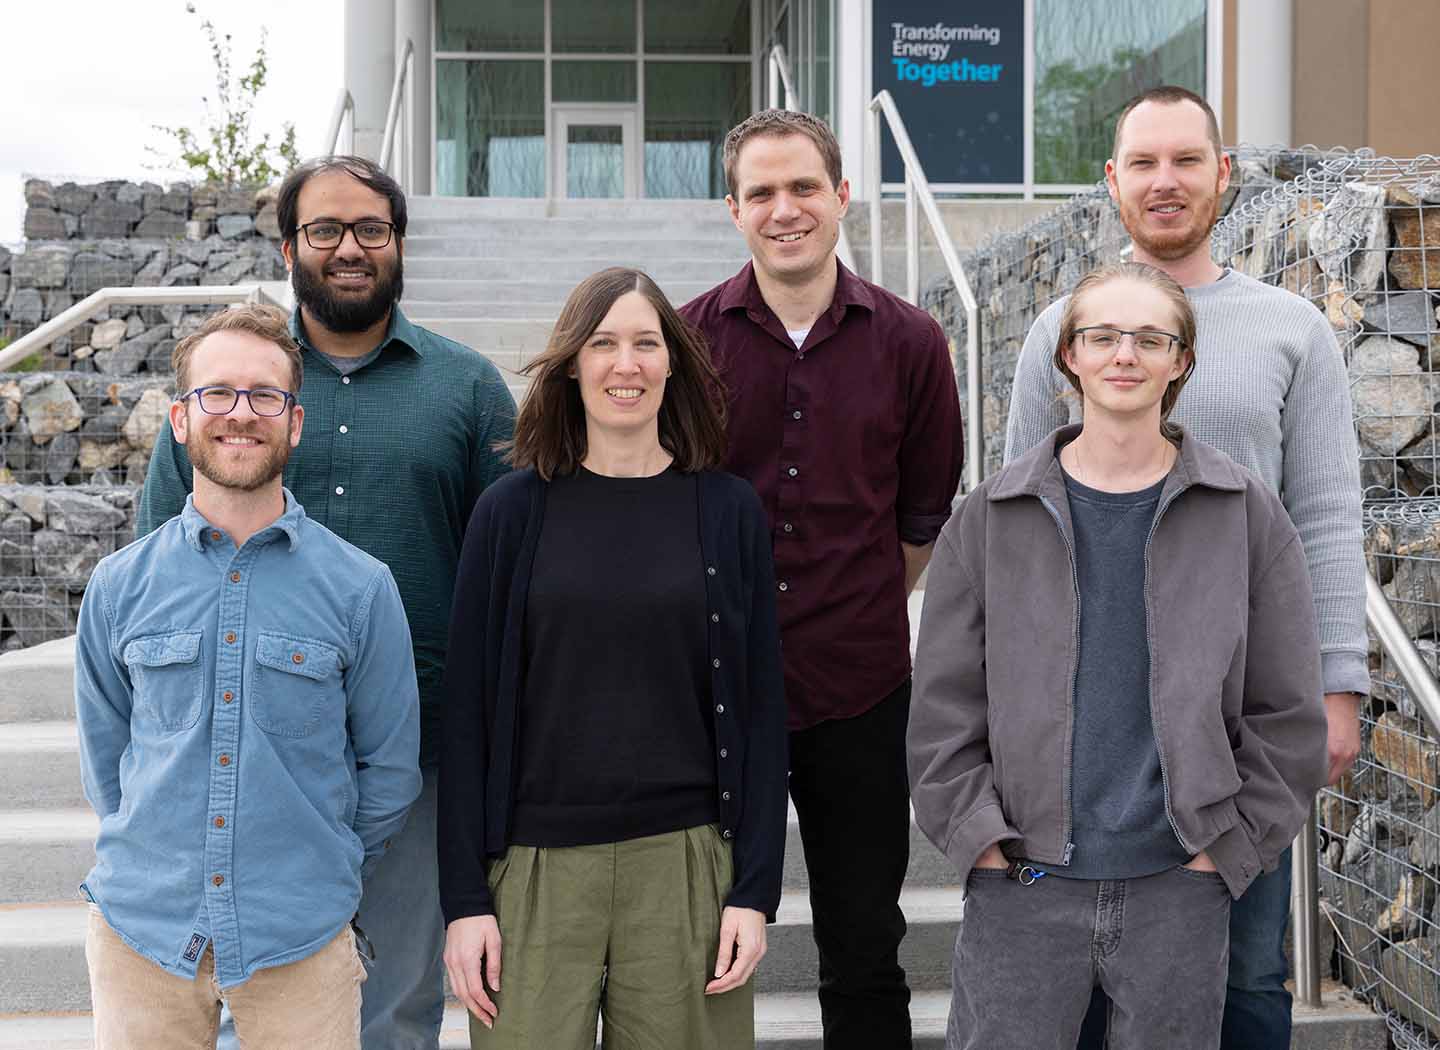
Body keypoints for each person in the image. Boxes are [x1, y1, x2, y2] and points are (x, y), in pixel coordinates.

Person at [1004, 86, 1367, 1050]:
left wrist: (1337, 686)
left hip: (1243, 713)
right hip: (1088, 717)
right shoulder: (1061, 331)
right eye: (1144, 163)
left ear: (1223, 176)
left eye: (1186, 160)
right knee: (1083, 982)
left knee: (1246, 971)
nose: (1165, 181)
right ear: (1112, 181)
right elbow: (1016, 535)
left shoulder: (1292, 329)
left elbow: (1328, 515)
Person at [135, 155, 516, 1049]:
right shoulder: (236, 392)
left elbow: (513, 573)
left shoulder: (466, 388)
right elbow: (159, 573)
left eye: (371, 229)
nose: (350, 248)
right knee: (249, 1003)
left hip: (419, 755)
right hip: (248, 756)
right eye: (325, 230)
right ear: (289, 248)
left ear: (400, 243)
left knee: (397, 1004)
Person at [912, 261, 1329, 1050]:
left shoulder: (1245, 514)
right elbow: (942, 708)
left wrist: (1221, 855)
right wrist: (982, 843)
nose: (1125, 355)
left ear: (1182, 360)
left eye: (1149, 338)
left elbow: (1287, 713)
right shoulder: (990, 517)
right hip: (1024, 883)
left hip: (1179, 884)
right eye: (1102, 336)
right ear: (1069, 355)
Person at [438, 267, 788, 1050]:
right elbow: (467, 718)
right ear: (571, 364)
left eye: (645, 343)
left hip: (686, 866)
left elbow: (763, 711)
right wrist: (464, 901)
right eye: (602, 344)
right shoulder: (508, 513)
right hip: (533, 871)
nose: (625, 365)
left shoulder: (727, 511)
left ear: (673, 363)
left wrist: (754, 890)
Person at [680, 109, 964, 1050]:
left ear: (842, 196)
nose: (785, 209)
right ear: (733, 210)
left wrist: (855, 602)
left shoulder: (912, 341)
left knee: (864, 941)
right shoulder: (686, 341)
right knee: (694, 938)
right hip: (712, 691)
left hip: (860, 690)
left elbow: (921, 517)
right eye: (760, 192)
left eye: (804, 186)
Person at [75, 304, 421, 1049]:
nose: (241, 413)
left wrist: (318, 865)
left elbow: (390, 769)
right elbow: (107, 765)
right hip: (142, 937)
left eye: (265, 395)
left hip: (301, 941)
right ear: (180, 418)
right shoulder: (117, 587)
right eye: (218, 393)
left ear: (295, 423)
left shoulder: (361, 589)